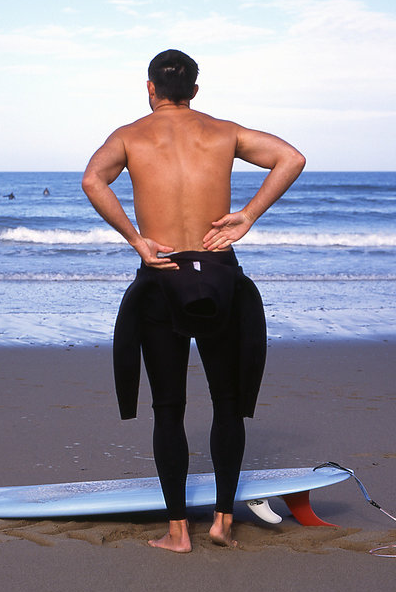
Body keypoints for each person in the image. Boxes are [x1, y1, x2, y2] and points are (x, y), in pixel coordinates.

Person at [82, 49, 305, 551]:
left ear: (149, 88)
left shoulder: (129, 136)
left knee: (169, 409)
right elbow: (291, 157)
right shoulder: (223, 131)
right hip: (219, 276)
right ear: (196, 91)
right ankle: (223, 521)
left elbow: (92, 179)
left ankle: (178, 532)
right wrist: (246, 216)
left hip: (161, 276)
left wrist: (137, 239)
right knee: (227, 405)